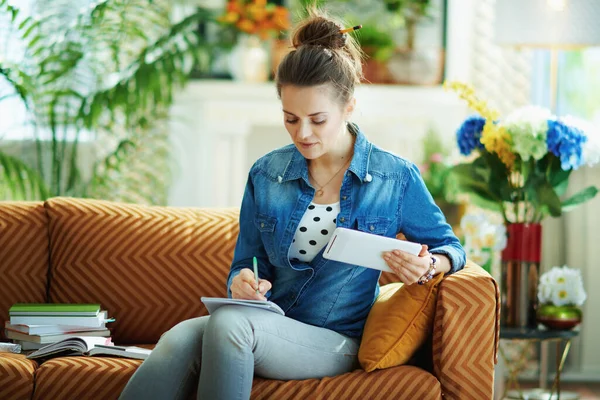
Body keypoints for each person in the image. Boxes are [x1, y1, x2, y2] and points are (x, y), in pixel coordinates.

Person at [119, 8, 465, 400]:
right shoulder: (266, 174)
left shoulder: (395, 178)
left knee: (230, 326)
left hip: (334, 341)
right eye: (290, 118)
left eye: (317, 120)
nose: (303, 133)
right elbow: (245, 262)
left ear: (348, 106)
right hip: (269, 321)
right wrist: (242, 282)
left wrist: (431, 264)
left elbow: (451, 246)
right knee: (179, 337)